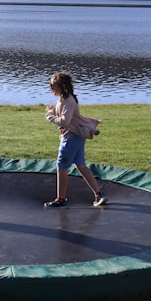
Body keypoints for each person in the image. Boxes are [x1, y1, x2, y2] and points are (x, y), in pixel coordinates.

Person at [44, 71, 107, 208]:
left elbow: (65, 121)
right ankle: (99, 194)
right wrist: (55, 111)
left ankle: (61, 199)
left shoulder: (67, 101)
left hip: (71, 139)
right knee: (81, 165)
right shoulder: (66, 99)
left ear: (62, 86)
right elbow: (69, 119)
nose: (51, 89)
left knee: (61, 167)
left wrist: (50, 116)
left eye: (53, 86)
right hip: (76, 137)